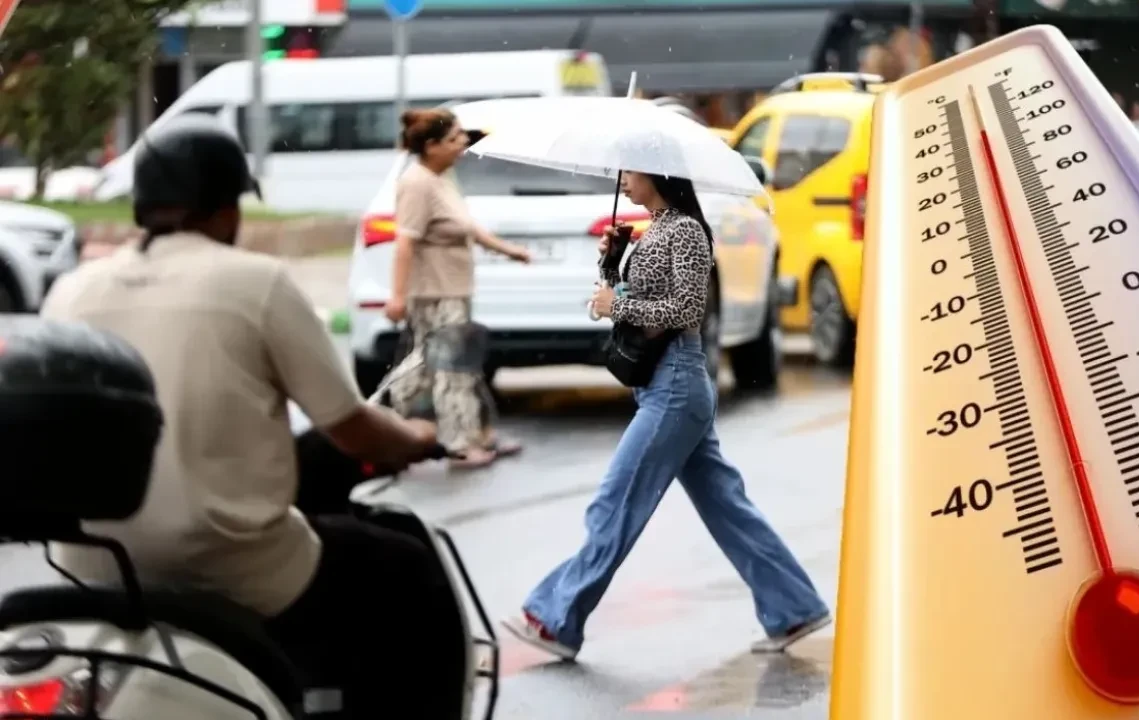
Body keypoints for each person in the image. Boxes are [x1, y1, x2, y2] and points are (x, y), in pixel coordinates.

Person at [40, 114, 470, 717]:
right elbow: (350, 428)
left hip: (92, 566)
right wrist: (418, 437)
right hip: (233, 568)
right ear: (225, 210)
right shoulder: (255, 282)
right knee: (405, 570)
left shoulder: (72, 290)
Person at [502, 170, 831, 660]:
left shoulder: (687, 230)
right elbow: (635, 303)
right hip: (662, 386)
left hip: (675, 386)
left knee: (616, 502)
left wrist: (619, 304)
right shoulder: (656, 227)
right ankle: (795, 608)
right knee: (728, 509)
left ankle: (557, 619)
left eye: (630, 172)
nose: (623, 181)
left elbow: (687, 310)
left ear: (658, 175)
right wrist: (613, 264)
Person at [386, 107, 529, 470]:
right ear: (431, 146)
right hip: (434, 293)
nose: (463, 142)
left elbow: (466, 226)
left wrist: (507, 249)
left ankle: (470, 432)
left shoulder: (441, 178)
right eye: (454, 138)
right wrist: (397, 296)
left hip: (454, 289)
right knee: (449, 369)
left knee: (446, 364)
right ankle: (459, 444)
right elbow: (405, 242)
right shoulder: (417, 183)